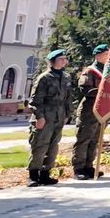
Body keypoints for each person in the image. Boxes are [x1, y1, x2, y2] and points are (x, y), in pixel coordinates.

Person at [26, 49, 71, 187]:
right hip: (45, 115)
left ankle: (45, 174)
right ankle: (33, 175)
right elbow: (34, 100)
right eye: (61, 59)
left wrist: (67, 115)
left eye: (65, 59)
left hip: (59, 115)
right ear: (52, 61)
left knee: (53, 147)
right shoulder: (44, 78)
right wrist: (39, 117)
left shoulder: (66, 77)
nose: (64, 61)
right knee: (39, 145)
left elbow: (68, 99)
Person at [72, 43, 110, 180]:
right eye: (106, 54)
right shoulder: (90, 71)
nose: (108, 57)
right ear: (98, 55)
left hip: (101, 110)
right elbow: (84, 89)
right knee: (84, 139)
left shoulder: (108, 70)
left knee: (95, 139)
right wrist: (102, 92)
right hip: (89, 110)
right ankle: (79, 168)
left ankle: (89, 166)